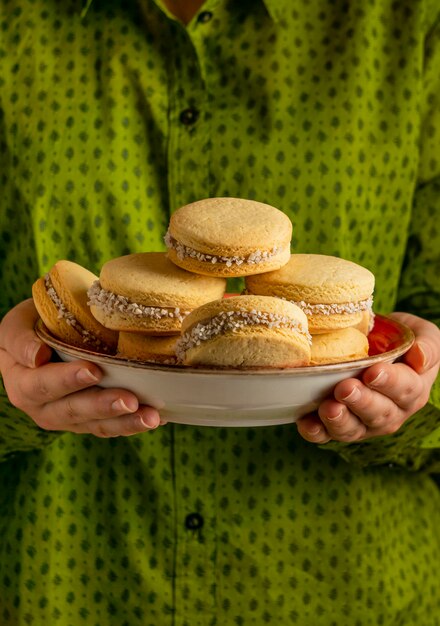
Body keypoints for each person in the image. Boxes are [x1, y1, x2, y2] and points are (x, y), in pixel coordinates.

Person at [0, 0, 439, 624]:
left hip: (343, 584)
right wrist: (10, 377)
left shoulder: (408, 19)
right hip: (73, 582)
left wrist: (422, 384)